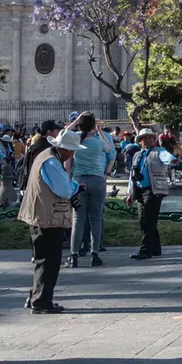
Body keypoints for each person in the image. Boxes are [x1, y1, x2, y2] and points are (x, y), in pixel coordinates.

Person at [19, 128, 83, 313]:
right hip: (48, 217)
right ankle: (41, 301)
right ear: (64, 149)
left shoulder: (45, 156)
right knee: (49, 261)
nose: (72, 154)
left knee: (42, 260)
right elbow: (63, 189)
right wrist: (76, 186)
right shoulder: (51, 162)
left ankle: (36, 296)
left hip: (42, 215)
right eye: (72, 150)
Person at [67, 112, 114, 268]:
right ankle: (95, 253)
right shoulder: (98, 142)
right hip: (97, 180)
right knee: (96, 218)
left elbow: (63, 135)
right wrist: (99, 131)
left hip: (79, 181)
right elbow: (109, 148)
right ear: (94, 125)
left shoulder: (74, 140)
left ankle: (73, 255)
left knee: (78, 220)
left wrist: (75, 122)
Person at [129, 130, 171, 261]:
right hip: (140, 191)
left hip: (154, 190)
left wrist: (174, 161)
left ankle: (145, 250)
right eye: (143, 138)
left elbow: (168, 159)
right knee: (146, 221)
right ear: (140, 141)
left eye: (149, 138)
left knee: (148, 221)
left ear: (153, 140)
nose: (146, 140)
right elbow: (132, 176)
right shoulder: (137, 155)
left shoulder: (159, 152)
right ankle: (155, 248)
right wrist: (130, 193)